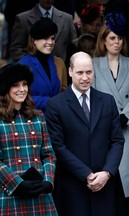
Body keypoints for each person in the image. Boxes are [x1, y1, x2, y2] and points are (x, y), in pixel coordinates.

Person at [45, 51, 124, 216]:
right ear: (70, 71)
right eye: (80, 72)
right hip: (73, 187)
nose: (85, 77)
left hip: (106, 185)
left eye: (89, 72)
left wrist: (107, 172)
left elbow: (117, 141)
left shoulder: (108, 101)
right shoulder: (55, 105)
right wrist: (86, 174)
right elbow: (58, 146)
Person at [92, 11, 129, 215]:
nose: (117, 42)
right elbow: (93, 94)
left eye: (120, 38)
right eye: (112, 38)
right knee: (109, 179)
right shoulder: (94, 65)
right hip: (103, 127)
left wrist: (126, 116)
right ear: (104, 40)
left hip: (128, 127)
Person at [0, 63, 57, 215]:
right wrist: (17, 184)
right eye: (15, 85)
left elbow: (48, 154)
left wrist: (48, 181)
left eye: (24, 84)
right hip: (10, 192)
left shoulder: (38, 116)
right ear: (6, 89)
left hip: (40, 192)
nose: (22, 89)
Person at [18, 18, 67, 112]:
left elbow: (63, 90)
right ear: (34, 40)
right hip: (33, 120)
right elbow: (21, 97)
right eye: (45, 38)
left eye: (52, 38)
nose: (50, 42)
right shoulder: (23, 65)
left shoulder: (57, 62)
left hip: (56, 118)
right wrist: (50, 102)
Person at [9, 0, 76, 62]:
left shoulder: (67, 19)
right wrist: (32, 64)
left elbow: (73, 48)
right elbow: (16, 49)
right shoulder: (23, 19)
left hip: (60, 71)